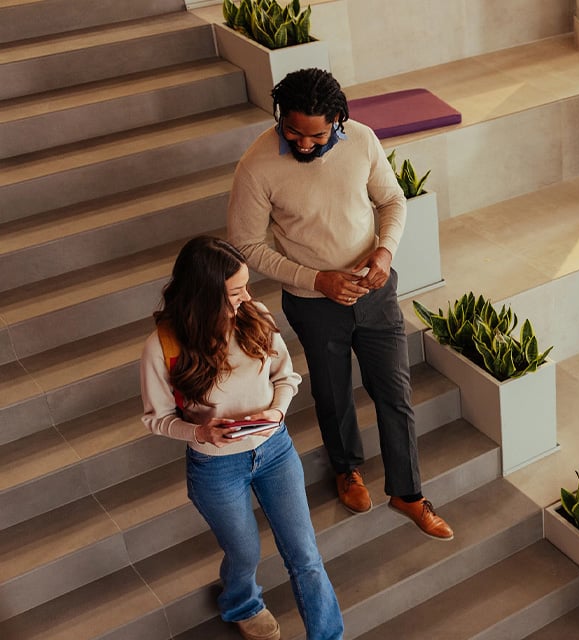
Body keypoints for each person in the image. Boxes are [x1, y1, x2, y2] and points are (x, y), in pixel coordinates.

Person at [226, 68, 453, 540]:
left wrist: (385, 251)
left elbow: (392, 201)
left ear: (339, 120)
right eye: (293, 132)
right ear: (279, 118)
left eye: (316, 134)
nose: (304, 144)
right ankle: (347, 469)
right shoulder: (256, 165)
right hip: (313, 303)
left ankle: (407, 493)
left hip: (375, 290)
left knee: (395, 392)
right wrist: (316, 280)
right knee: (331, 393)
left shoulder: (363, 142)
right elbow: (246, 244)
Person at [140, 236, 342, 640]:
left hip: (275, 450)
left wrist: (277, 411)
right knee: (244, 550)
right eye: (235, 292)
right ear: (204, 296)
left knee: (306, 556)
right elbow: (156, 419)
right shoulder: (163, 346)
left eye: (246, 287)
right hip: (216, 467)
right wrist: (199, 430)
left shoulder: (255, 315)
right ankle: (241, 602)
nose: (246, 298)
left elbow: (287, 377)